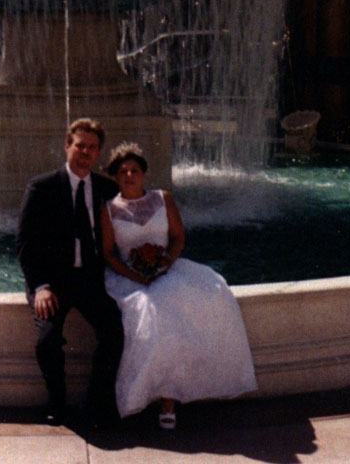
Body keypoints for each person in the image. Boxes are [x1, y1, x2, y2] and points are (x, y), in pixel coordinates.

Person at [100, 142, 257, 429]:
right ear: (115, 177)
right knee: (149, 309)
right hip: (127, 277)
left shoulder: (163, 199)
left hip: (166, 269)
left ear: (144, 174)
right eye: (123, 172)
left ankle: (168, 398)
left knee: (209, 297)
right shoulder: (108, 210)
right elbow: (109, 253)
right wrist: (135, 275)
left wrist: (164, 263)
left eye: (135, 170)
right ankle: (147, 393)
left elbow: (177, 238)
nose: (129, 176)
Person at [16, 117, 124, 426]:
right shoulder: (42, 187)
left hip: (89, 281)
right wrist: (40, 286)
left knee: (114, 331)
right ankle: (57, 403)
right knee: (47, 341)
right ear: (67, 146)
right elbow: (25, 242)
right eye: (80, 146)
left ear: (98, 152)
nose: (86, 152)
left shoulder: (107, 188)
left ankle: (96, 403)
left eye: (92, 148)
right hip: (53, 283)